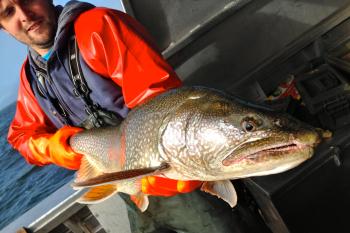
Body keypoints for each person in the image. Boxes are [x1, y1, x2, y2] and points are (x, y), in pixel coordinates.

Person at [4, 1, 241, 232]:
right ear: (3, 27)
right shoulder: (32, 80)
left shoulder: (98, 26)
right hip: (128, 192)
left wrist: (174, 167)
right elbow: (20, 136)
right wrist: (54, 147)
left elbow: (161, 102)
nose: (24, 15)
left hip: (172, 175)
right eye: (8, 12)